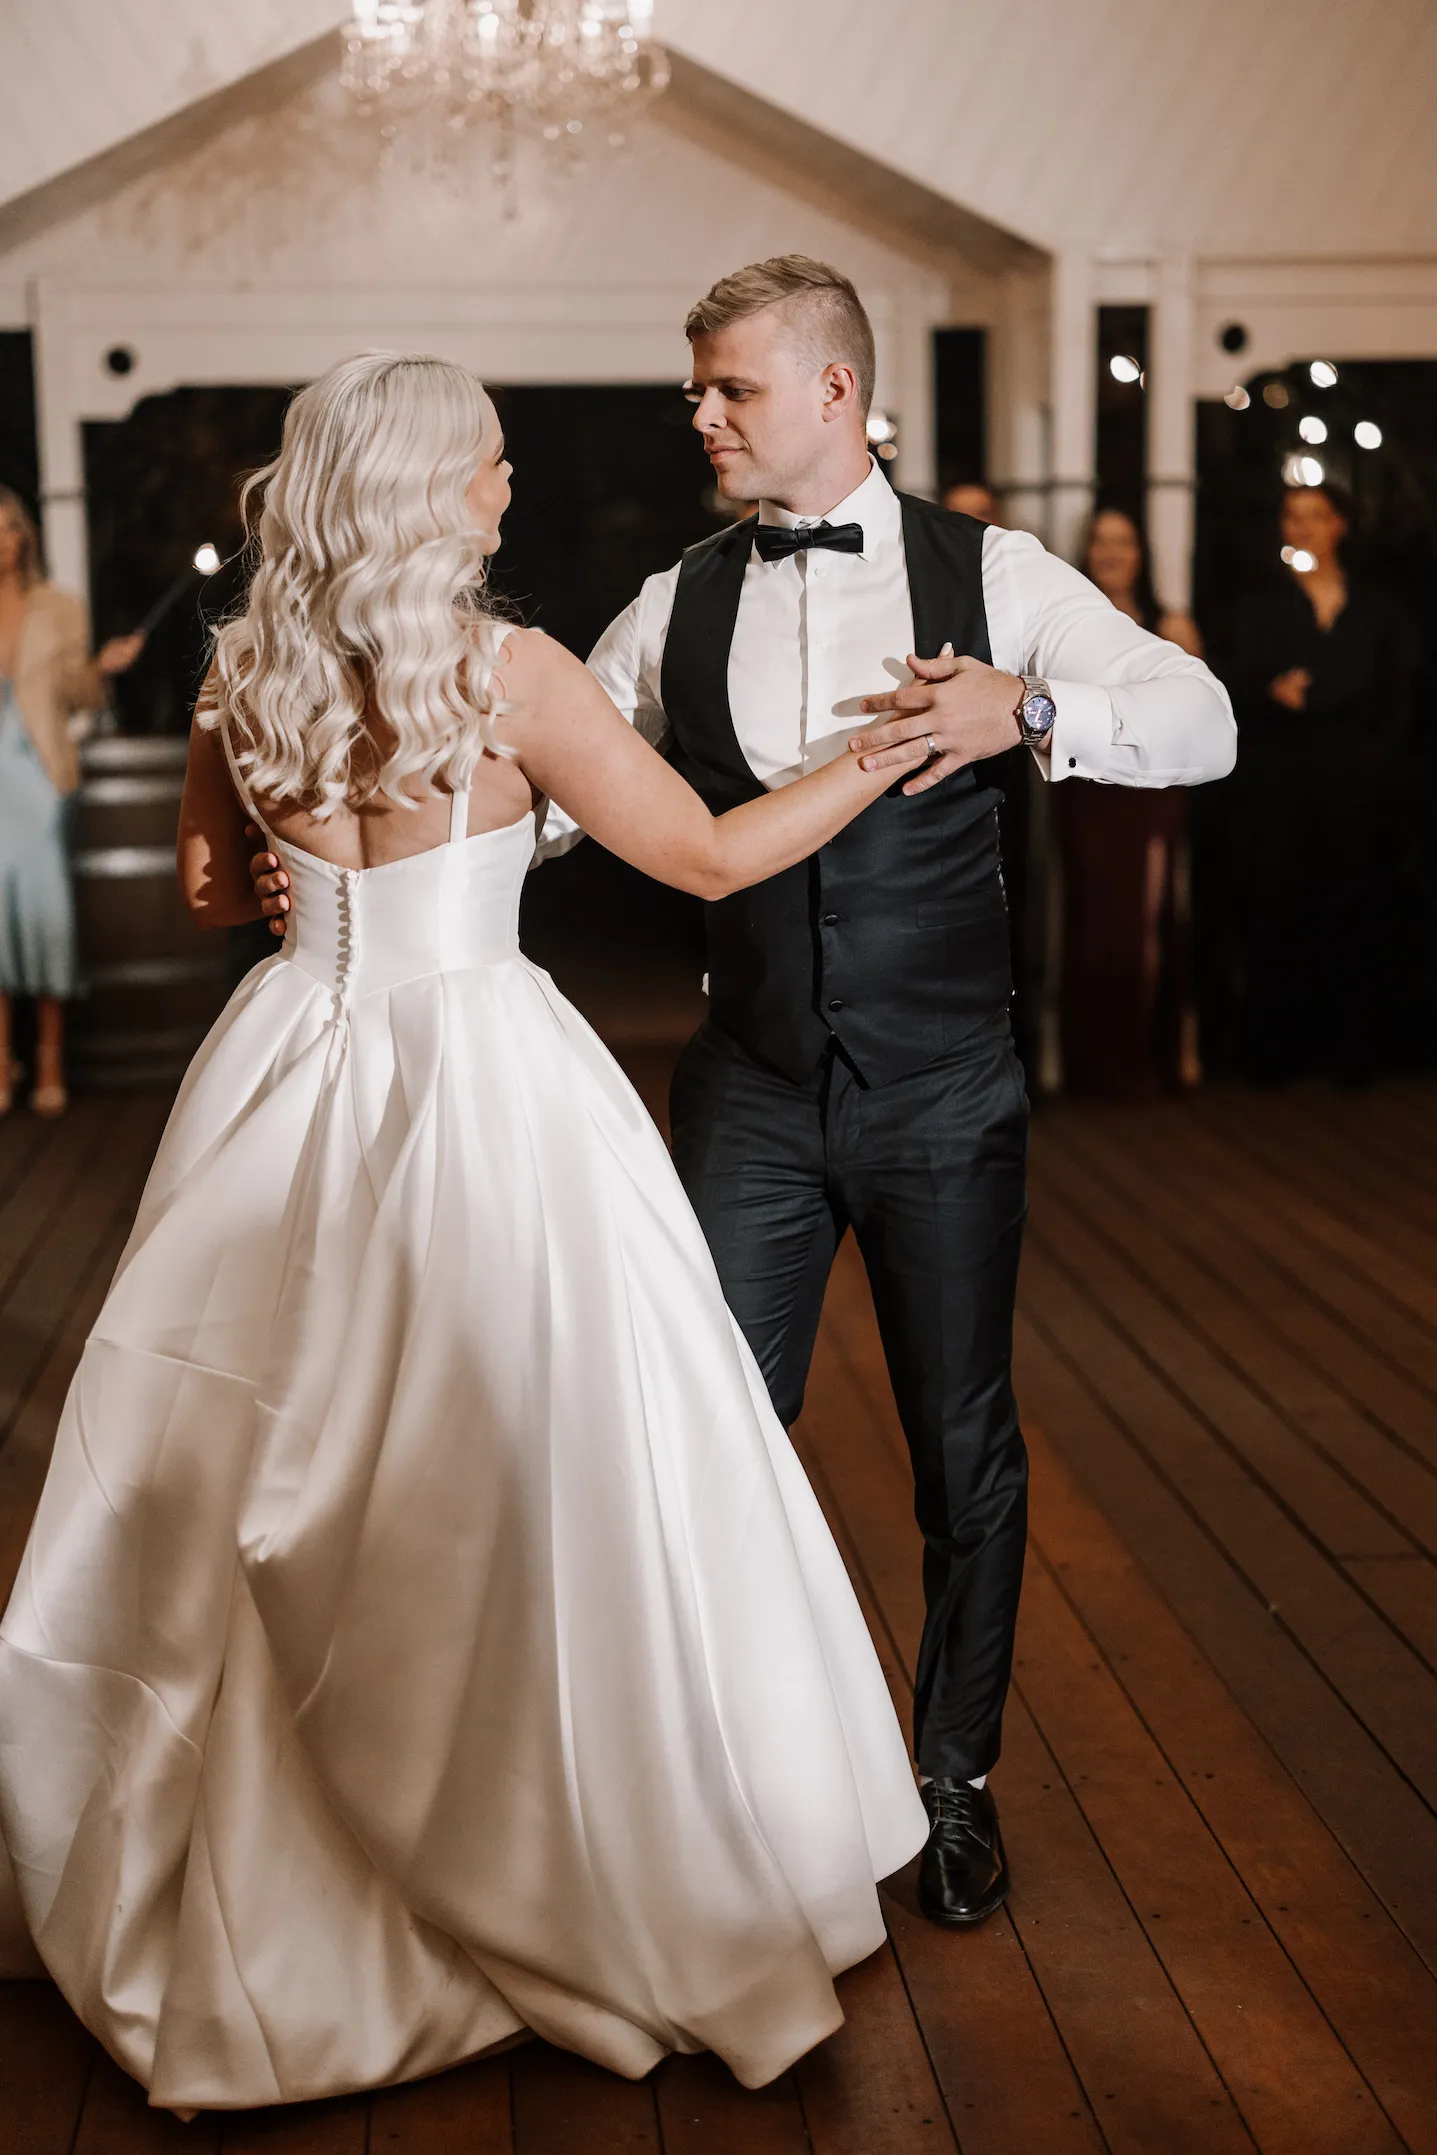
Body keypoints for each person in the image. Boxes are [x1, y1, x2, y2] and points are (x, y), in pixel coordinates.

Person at [252, 261, 1234, 1930]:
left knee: (960, 1447)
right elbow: (554, 796)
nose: (698, 418)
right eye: (695, 391)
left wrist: (1035, 709)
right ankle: (709, 1786)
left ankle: (950, 1782)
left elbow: (1199, 722)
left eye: (730, 392)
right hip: (753, 1094)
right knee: (694, 1437)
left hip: (941, 1089)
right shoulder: (669, 600)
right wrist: (376, 879)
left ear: (835, 392)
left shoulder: (991, 571)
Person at [0, 354, 931, 2113]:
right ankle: (544, 1837)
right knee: (536, 1463)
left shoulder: (245, 674)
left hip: (286, 1069)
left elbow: (217, 891)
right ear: (435, 492)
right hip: (484, 1078)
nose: (511, 491)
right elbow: (718, 862)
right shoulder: (511, 677)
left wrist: (290, 876)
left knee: (233, 1456)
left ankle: (246, 1869)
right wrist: (880, 754)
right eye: (493, 469)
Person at [1225, 482, 1414, 1081]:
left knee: (1355, 903)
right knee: (1280, 904)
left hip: (1357, 783)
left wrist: (1378, 760)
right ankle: (1278, 1053)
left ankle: (1355, 1051)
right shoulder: (1260, 602)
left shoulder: (1377, 606)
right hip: (1282, 779)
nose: (1302, 527)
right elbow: (1233, 681)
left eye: (1315, 516)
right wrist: (1270, 693)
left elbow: (1399, 693)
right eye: (1292, 516)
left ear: (1339, 525)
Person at [0, 486, 143, 1114]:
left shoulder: (57, 607)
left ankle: (51, 1060)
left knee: (43, 908)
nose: (1, 539)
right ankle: (2, 1063)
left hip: (35, 771)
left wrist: (102, 668)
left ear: (23, 537)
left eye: (9, 527)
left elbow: (79, 697)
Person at [1057, 506, 1205, 1096]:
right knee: (1092, 919)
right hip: (1086, 789)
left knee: (1147, 919)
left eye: (1123, 541)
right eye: (1101, 542)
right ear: (1088, 553)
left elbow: (1197, 717)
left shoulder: (1170, 626)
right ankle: (1092, 1065)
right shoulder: (1067, 622)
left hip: (1149, 789)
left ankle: (1149, 1057)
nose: (1112, 552)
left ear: (1141, 554)